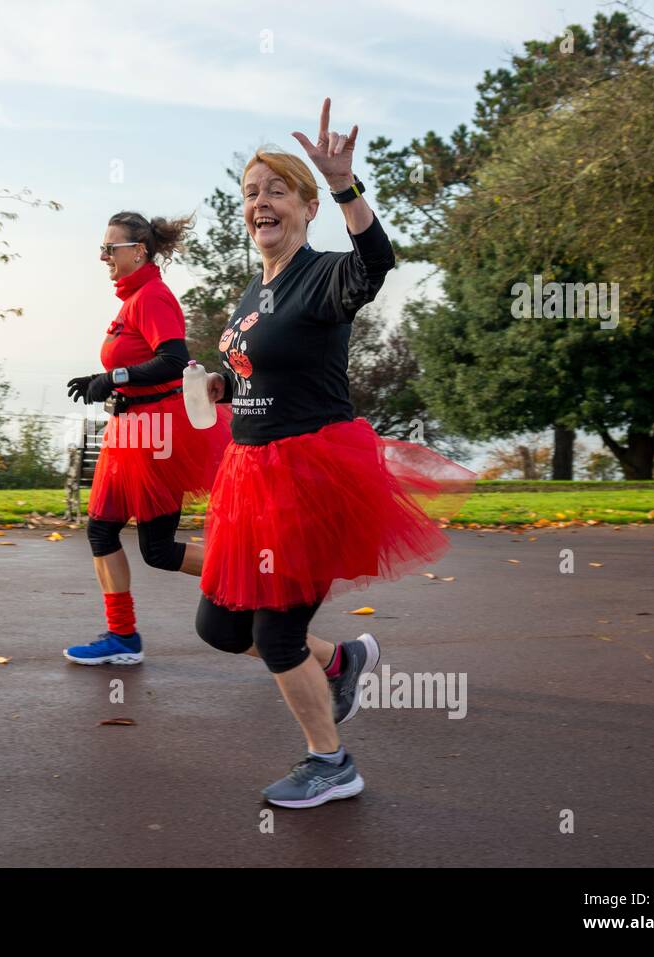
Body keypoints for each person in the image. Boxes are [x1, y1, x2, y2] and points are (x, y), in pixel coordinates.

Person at [195, 100, 476, 808]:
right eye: (252, 192)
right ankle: (343, 660)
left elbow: (376, 262)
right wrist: (220, 383)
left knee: (276, 630)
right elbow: (264, 368)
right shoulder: (254, 289)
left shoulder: (324, 274)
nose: (262, 202)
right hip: (250, 473)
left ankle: (332, 762)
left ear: (307, 204)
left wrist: (349, 185)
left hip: (311, 475)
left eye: (277, 190)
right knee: (220, 626)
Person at [64, 211, 231, 665]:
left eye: (109, 248)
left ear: (138, 251)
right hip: (130, 432)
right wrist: (110, 382)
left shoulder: (152, 297)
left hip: (156, 434)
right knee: (101, 531)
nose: (103, 256)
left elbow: (174, 359)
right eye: (102, 248)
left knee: (156, 549)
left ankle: (245, 577)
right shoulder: (131, 298)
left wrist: (112, 376)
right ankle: (122, 637)